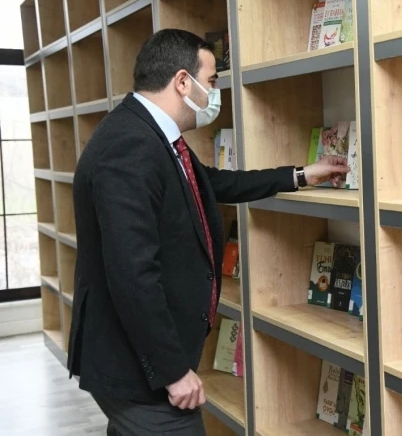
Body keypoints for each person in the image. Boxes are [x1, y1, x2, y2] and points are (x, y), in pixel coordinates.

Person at [66, 29, 349, 435]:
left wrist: (302, 175)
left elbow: (213, 183)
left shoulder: (150, 135)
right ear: (183, 82)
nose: (215, 93)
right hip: (137, 367)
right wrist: (172, 371)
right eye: (212, 81)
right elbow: (133, 275)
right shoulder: (130, 148)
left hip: (139, 360)